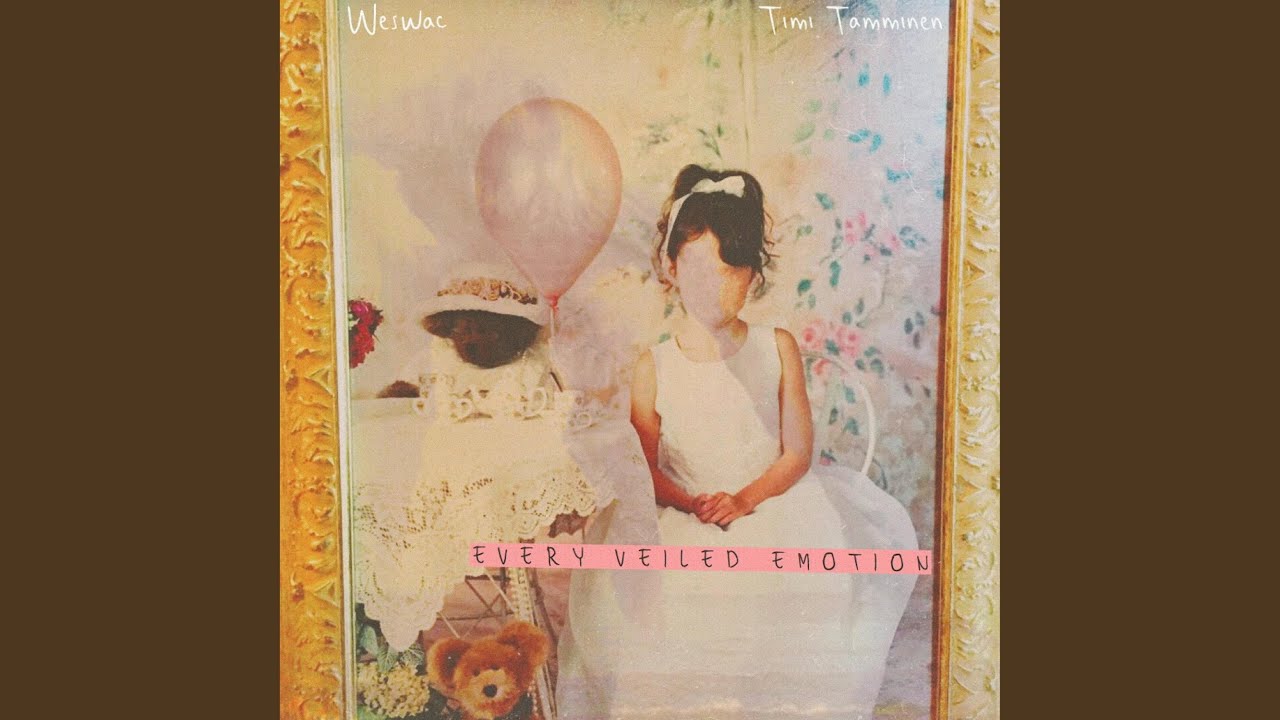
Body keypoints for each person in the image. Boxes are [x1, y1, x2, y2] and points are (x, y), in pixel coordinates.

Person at [557, 165, 919, 720]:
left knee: (783, 584)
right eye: (700, 269)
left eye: (733, 271)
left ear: (753, 275)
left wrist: (745, 499)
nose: (716, 286)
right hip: (685, 507)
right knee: (673, 593)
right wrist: (691, 502)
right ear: (671, 268)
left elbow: (796, 453)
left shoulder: (777, 347)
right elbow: (642, 467)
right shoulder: (655, 365)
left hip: (768, 500)